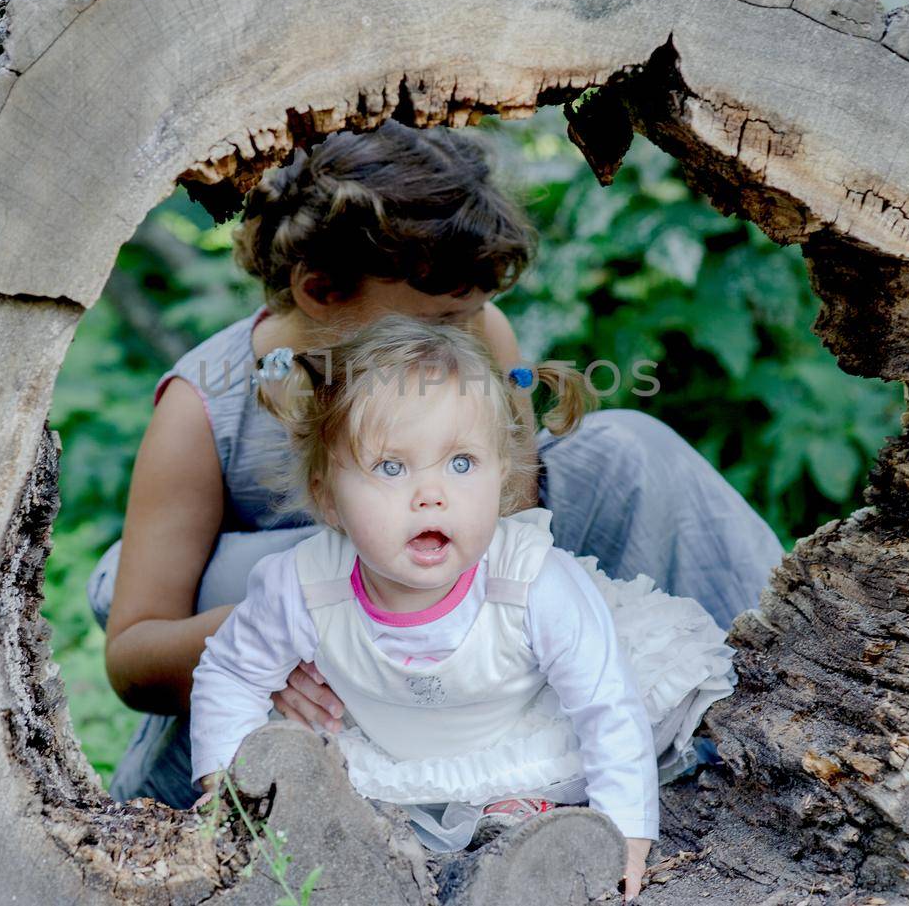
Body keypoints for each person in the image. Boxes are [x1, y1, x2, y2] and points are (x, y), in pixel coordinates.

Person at [90, 119, 784, 813]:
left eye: (475, 313)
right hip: (300, 702)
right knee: (259, 565)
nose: (470, 335)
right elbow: (132, 655)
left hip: (458, 685)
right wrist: (288, 631)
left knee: (624, 448)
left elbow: (505, 538)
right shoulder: (205, 404)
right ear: (322, 290)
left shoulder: (478, 339)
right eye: (443, 318)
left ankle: (775, 694)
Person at [190, 315, 738, 900]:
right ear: (327, 498)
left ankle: (526, 843)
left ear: (502, 477)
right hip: (389, 754)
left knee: (552, 802)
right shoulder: (301, 585)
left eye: (461, 463)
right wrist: (226, 788)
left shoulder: (531, 583)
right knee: (337, 837)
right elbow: (231, 673)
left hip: (524, 736)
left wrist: (627, 837)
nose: (432, 494)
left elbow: (606, 708)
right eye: (390, 468)